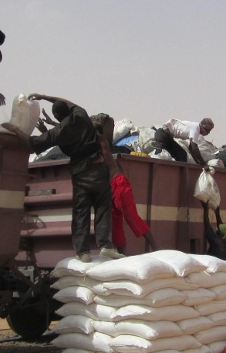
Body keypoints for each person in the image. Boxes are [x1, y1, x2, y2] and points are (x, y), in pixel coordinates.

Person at [10, 94, 123, 263]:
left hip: (80, 175)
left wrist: (14, 130)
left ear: (56, 116)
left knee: (80, 213)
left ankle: (82, 252)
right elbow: (67, 102)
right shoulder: (81, 115)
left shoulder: (58, 132)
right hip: (99, 170)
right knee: (102, 210)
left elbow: (31, 143)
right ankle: (106, 246)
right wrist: (44, 96)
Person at [95, 114, 159, 255]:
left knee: (131, 217)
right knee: (115, 223)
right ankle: (122, 254)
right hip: (108, 188)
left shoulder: (102, 142)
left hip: (118, 183)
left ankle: (156, 248)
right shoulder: (89, 147)